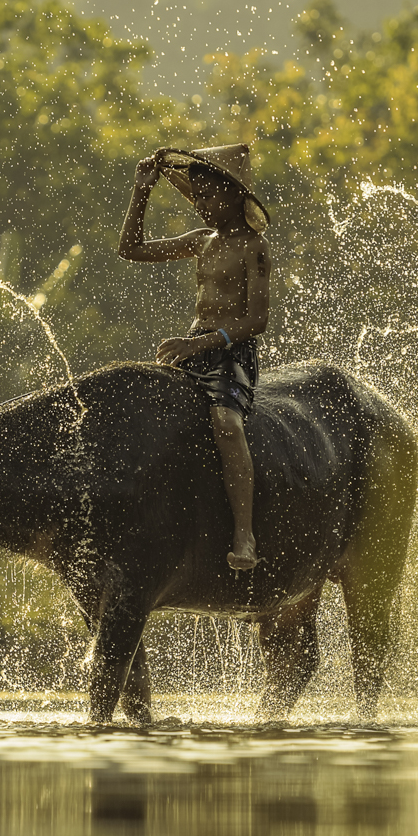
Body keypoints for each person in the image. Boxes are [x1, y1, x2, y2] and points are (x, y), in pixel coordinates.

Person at [117, 144, 272, 570]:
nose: (202, 205)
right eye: (197, 196)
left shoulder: (253, 247)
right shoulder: (201, 242)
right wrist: (141, 192)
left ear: (235, 196)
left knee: (225, 422)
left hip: (229, 351)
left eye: (210, 196)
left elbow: (256, 321)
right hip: (193, 347)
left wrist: (200, 345)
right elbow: (131, 249)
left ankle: (245, 535)